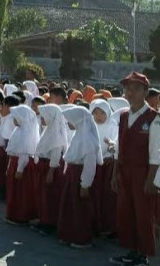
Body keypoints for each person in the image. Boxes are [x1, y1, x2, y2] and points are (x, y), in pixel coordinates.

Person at [110, 72, 158, 266]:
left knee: (143, 214)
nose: (130, 92)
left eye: (136, 88)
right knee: (126, 212)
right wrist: (115, 174)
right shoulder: (123, 116)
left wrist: (151, 179)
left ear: (145, 92)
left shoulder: (154, 118)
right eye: (127, 88)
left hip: (143, 173)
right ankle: (131, 251)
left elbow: (156, 152)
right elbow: (119, 148)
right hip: (125, 171)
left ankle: (143, 255)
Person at [57, 106, 101, 248]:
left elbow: (90, 164)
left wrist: (85, 184)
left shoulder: (87, 139)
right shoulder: (78, 135)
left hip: (79, 176)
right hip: (73, 174)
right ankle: (69, 234)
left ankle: (81, 238)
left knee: (80, 209)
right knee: (70, 207)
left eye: (70, 120)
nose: (68, 123)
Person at [34, 104, 68, 235]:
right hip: (44, 165)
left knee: (50, 196)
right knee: (43, 195)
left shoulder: (56, 134)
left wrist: (51, 172)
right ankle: (43, 219)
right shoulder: (48, 130)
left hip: (50, 167)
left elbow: (55, 155)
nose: (42, 119)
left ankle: (49, 223)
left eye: (44, 116)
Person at [5, 104, 40, 225]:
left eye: (16, 117)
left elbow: (25, 154)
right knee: (14, 191)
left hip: (21, 165)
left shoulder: (26, 133)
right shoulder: (18, 130)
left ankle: (21, 215)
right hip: (15, 162)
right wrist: (10, 167)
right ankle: (13, 213)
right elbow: (13, 151)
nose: (13, 120)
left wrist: (19, 169)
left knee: (21, 192)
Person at [89, 99, 118, 237]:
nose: (99, 116)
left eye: (102, 113)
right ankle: (93, 223)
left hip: (107, 166)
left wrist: (110, 153)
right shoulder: (90, 125)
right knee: (93, 195)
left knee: (106, 196)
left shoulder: (113, 126)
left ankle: (106, 226)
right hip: (93, 164)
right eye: (95, 113)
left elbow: (115, 146)